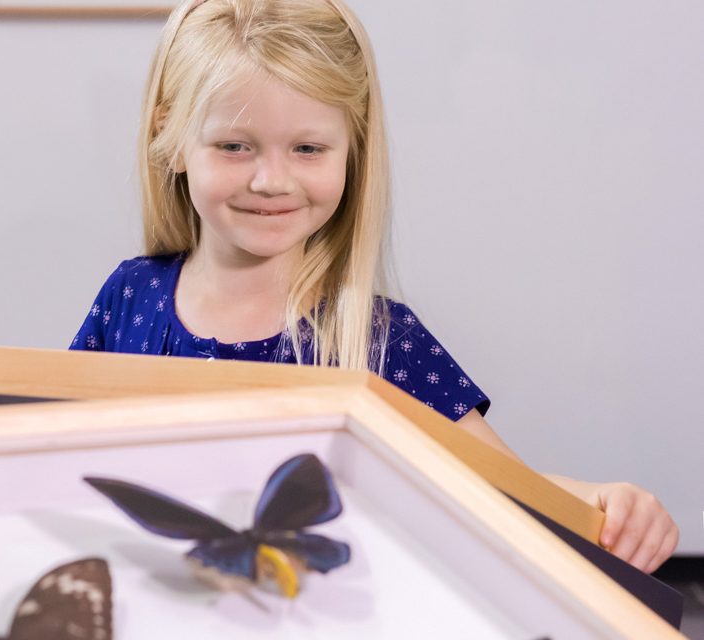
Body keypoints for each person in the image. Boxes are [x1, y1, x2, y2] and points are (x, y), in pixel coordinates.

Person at [70, 0, 678, 573]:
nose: (270, 180)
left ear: (352, 151)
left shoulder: (379, 337)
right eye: (234, 146)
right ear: (171, 138)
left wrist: (604, 501)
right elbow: (55, 448)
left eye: (308, 148)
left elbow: (502, 483)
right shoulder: (131, 295)